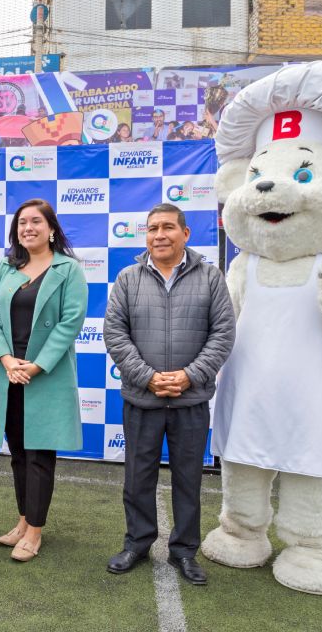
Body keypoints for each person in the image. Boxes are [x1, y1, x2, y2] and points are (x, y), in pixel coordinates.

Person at [103, 203, 235, 586]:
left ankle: (183, 551)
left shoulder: (211, 277)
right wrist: (147, 377)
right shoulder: (128, 278)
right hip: (142, 398)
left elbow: (223, 333)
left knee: (188, 480)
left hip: (190, 402)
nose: (159, 234)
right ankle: (137, 543)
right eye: (152, 228)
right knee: (137, 478)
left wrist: (189, 376)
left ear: (185, 234)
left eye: (167, 227)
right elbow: (115, 333)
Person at [0, 199, 87, 562]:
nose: (28, 227)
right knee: (18, 454)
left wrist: (35, 366)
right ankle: (23, 521)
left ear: (51, 229)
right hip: (9, 373)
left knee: (40, 455)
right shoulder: (6, 267)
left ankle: (36, 532)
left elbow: (70, 322)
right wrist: (8, 360)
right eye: (22, 222)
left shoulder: (68, 269)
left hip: (45, 375)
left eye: (36, 222)